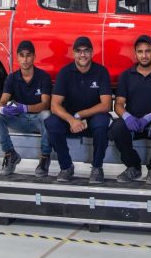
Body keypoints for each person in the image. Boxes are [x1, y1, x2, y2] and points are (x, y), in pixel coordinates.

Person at [45, 36, 112, 184]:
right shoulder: (65, 72)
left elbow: (106, 105)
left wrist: (80, 115)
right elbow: (54, 105)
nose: (83, 55)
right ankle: (66, 167)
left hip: (92, 118)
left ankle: (97, 167)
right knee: (51, 123)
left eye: (86, 51)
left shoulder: (101, 72)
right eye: (79, 51)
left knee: (103, 121)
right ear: (74, 53)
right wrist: (72, 119)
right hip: (70, 121)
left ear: (92, 52)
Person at [111, 34, 151, 185]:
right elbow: (118, 104)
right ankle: (133, 166)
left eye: (147, 51)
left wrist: (149, 117)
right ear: (135, 54)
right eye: (140, 52)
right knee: (117, 127)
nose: (144, 55)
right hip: (133, 122)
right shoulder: (126, 75)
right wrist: (127, 117)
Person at [0, 40, 52, 176]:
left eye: (28, 55)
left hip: (37, 120)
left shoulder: (43, 77)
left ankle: (45, 157)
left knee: (47, 115)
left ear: (34, 57)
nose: (25, 59)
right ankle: (10, 154)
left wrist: (25, 108)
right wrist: (2, 108)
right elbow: (2, 101)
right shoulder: (12, 78)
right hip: (20, 120)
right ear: (17, 57)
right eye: (22, 55)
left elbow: (46, 104)